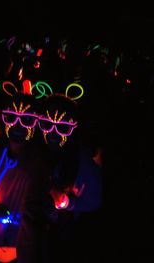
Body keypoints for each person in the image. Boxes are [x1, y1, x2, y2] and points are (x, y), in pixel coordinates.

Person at [0, 93, 52, 262]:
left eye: (26, 119)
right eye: (12, 117)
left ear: (36, 122)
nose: (18, 125)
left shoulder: (39, 166)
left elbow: (39, 212)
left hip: (19, 247)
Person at [39, 93, 104, 263]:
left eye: (62, 127)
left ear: (74, 127)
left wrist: (70, 203)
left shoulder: (82, 161)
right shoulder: (34, 152)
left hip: (62, 235)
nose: (53, 133)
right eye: (48, 124)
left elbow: (95, 200)